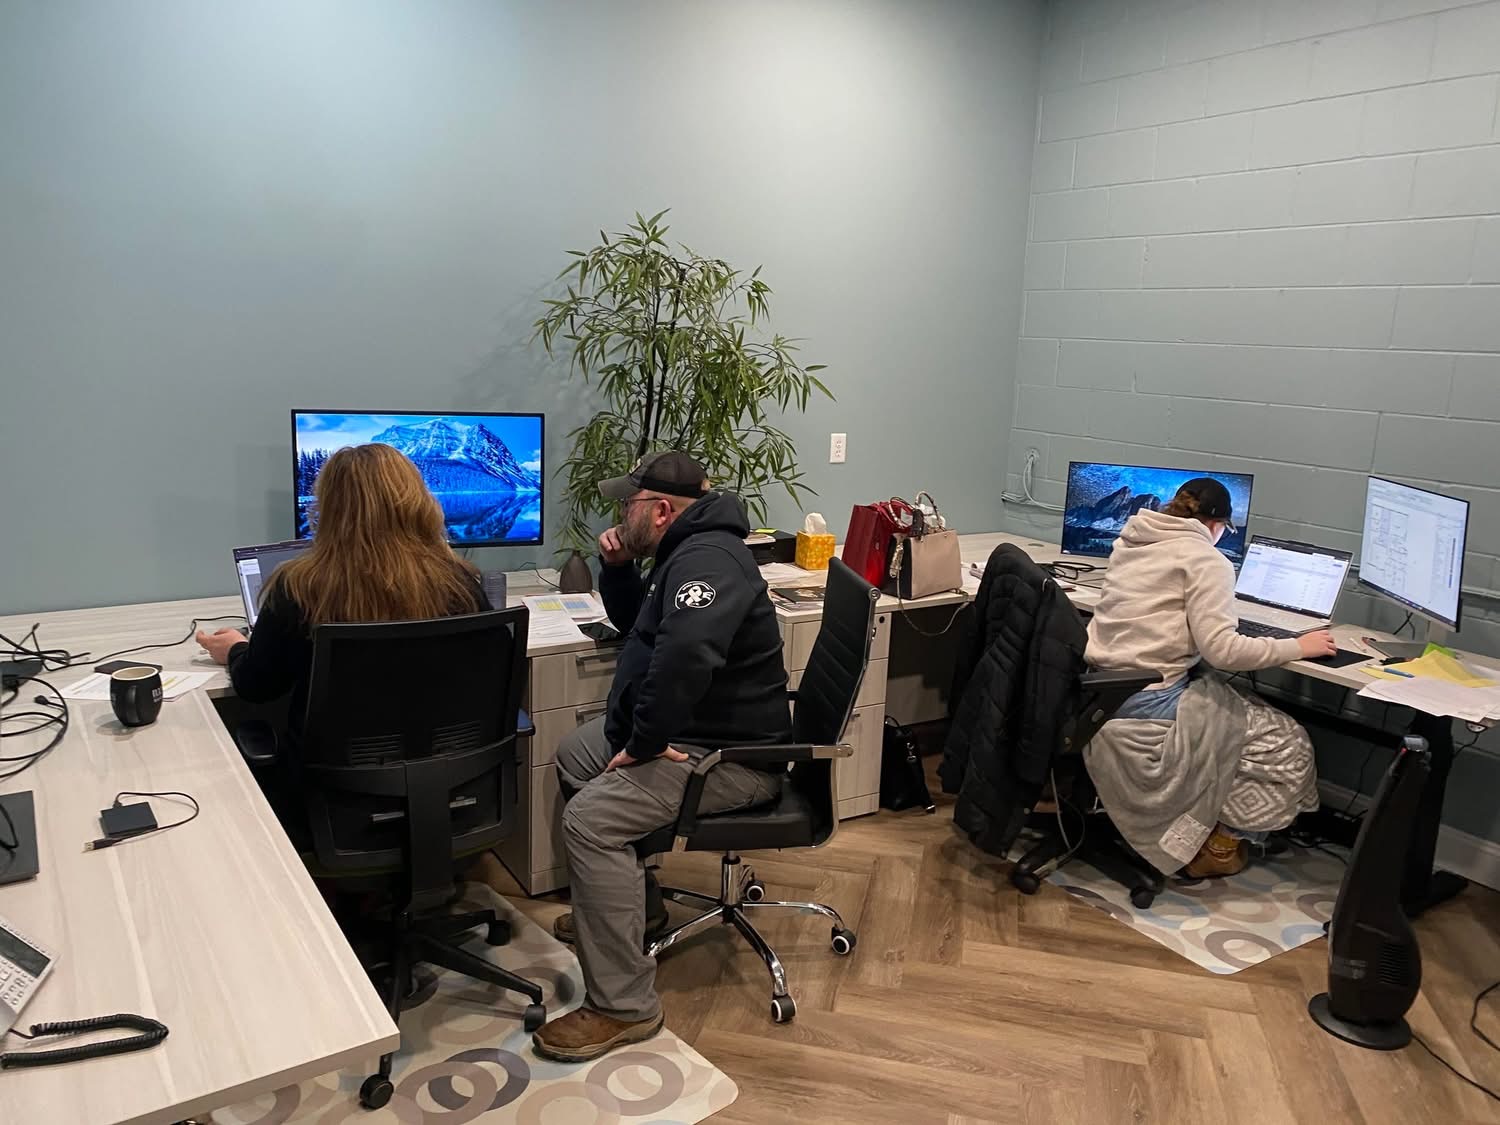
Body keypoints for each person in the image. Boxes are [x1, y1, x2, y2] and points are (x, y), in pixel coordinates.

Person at [532, 452, 791, 1064]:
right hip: (692, 733)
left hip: (729, 756)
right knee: (575, 754)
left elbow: (685, 661)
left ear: (659, 509)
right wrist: (617, 570)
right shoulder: (683, 548)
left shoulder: (708, 560)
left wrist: (642, 745)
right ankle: (635, 914)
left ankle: (624, 1007)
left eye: (628, 504)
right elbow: (642, 630)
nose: (620, 514)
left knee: (591, 821)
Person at [197, 443, 490, 803]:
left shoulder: (298, 587)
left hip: (335, 797)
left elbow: (258, 686)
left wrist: (235, 650)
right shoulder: (459, 581)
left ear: (329, 508)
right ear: (418, 500)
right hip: (447, 786)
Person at [1085, 477, 1333, 876]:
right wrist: (1300, 647)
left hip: (1102, 688)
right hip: (1151, 698)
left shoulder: (1131, 541)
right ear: (1216, 526)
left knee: (1235, 705)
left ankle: (1207, 827)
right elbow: (1224, 651)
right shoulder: (1206, 560)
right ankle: (1217, 846)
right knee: (1288, 741)